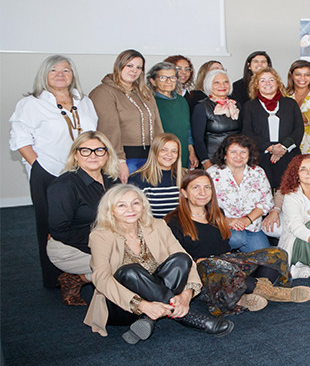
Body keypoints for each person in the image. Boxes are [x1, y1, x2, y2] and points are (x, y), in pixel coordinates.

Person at [84, 184, 233, 343]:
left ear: (143, 205)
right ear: (111, 210)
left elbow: (187, 259)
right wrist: (142, 305)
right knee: (130, 271)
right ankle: (190, 318)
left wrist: (186, 294)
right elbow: (101, 278)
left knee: (181, 259)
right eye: (122, 205)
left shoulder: (158, 225)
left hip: (157, 291)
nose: (131, 209)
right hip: (121, 305)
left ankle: (150, 319)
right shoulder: (100, 236)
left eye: (135, 203)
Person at [167, 170, 310, 316]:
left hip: (227, 265)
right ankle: (273, 293)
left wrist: (233, 262)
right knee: (215, 264)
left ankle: (245, 295)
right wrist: (203, 261)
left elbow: (224, 248)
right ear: (184, 193)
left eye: (207, 187)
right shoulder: (173, 222)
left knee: (277, 253)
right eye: (195, 187)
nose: (203, 192)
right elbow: (176, 260)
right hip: (203, 274)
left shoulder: (217, 214)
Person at [9, 55, 99, 288]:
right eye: (54, 70)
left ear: (73, 75)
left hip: (82, 171)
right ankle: (53, 278)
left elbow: (93, 133)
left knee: (84, 220)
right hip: (49, 172)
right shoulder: (32, 103)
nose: (60, 74)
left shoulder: (84, 101)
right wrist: (38, 166)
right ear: (44, 75)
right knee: (50, 224)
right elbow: (19, 139)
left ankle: (81, 268)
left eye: (66, 70)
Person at [46, 131, 119, 305]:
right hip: (68, 248)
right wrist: (104, 245)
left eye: (99, 150)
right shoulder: (64, 186)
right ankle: (79, 277)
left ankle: (82, 277)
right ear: (76, 155)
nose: (93, 155)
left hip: (105, 240)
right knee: (124, 262)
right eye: (85, 151)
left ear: (107, 154)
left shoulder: (112, 181)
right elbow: (59, 231)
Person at [89, 49, 163, 180]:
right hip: (126, 159)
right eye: (129, 65)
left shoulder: (144, 92)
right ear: (119, 66)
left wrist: (161, 152)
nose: (134, 70)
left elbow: (157, 124)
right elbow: (109, 130)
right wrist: (119, 161)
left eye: (138, 67)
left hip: (149, 158)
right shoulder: (104, 92)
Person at [206, 134, 273, 253]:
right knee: (237, 238)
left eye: (243, 152)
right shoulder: (211, 174)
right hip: (223, 226)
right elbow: (205, 205)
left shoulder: (258, 172)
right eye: (233, 152)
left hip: (252, 227)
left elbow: (267, 201)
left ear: (249, 155)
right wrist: (227, 220)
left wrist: (247, 220)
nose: (238, 156)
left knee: (267, 261)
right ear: (225, 154)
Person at [241, 67, 304, 189]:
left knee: (289, 191)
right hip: (261, 156)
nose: (267, 83)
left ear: (278, 83)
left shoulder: (290, 103)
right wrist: (270, 148)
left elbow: (298, 129)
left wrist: (283, 147)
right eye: (262, 80)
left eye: (271, 80)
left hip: (288, 154)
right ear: (257, 85)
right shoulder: (249, 106)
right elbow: (247, 132)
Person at [147, 62, 196, 168]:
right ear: (153, 81)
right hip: (161, 155)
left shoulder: (182, 101)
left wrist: (191, 152)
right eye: (163, 77)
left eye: (173, 77)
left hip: (182, 152)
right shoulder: (149, 102)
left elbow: (187, 129)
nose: (169, 81)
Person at [191, 69, 242, 169]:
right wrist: (205, 162)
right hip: (212, 161)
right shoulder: (201, 107)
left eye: (225, 82)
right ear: (209, 85)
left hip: (235, 160)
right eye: (217, 82)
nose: (222, 86)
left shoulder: (236, 105)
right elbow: (198, 139)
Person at [128, 133, 184, 218]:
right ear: (155, 151)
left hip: (181, 228)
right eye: (164, 150)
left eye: (174, 151)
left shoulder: (185, 176)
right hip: (152, 228)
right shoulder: (137, 178)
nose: (169, 154)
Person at [285, 59, 310, 152]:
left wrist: (293, 120)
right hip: (290, 140)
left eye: (307, 74)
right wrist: (303, 119)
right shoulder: (285, 94)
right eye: (298, 74)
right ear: (291, 76)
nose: (302, 78)